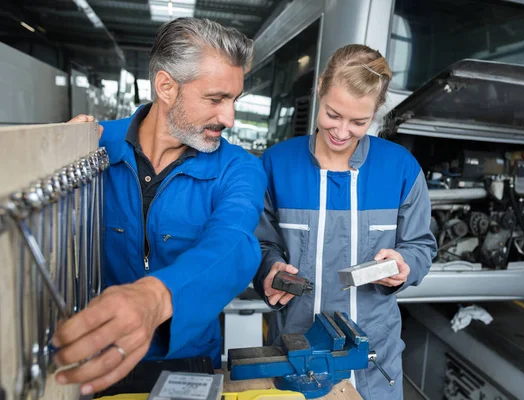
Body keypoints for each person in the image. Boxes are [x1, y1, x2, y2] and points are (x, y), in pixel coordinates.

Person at [52, 18, 267, 396]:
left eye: (234, 100)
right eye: (216, 99)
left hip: (188, 356)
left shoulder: (238, 168)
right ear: (166, 86)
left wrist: (155, 296)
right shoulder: (94, 147)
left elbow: (232, 243)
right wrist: (59, 157)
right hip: (95, 353)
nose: (229, 118)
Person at [253, 44, 437, 399]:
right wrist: (270, 270)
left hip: (374, 362)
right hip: (295, 354)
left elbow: (421, 246)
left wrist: (405, 265)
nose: (341, 131)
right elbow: (260, 242)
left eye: (359, 122)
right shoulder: (276, 165)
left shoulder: (400, 169)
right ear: (321, 88)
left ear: (376, 113)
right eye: (333, 114)